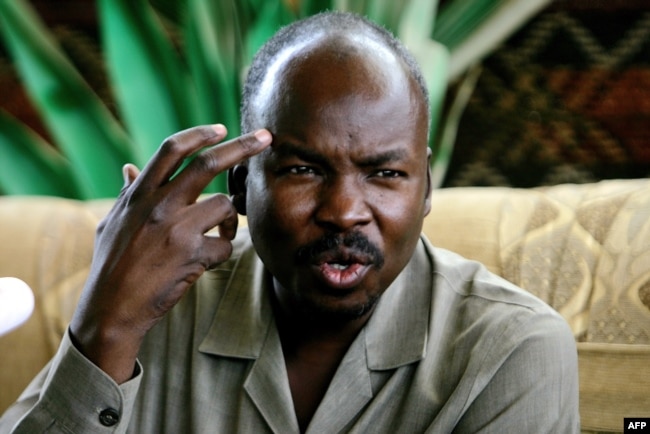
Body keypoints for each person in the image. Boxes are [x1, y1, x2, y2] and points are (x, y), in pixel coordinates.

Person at [0, 11, 579, 433]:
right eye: (303, 169)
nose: (344, 211)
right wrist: (107, 327)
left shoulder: (509, 349)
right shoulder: (155, 311)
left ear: (425, 187)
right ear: (240, 186)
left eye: (384, 174)